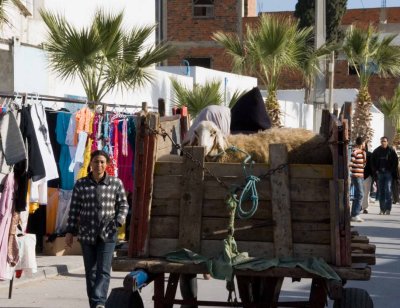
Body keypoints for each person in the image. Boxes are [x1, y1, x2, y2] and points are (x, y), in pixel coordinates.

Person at [65, 150, 129, 308]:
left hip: (108, 234)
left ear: (106, 165)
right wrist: (70, 231)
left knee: (103, 270)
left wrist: (117, 222)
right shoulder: (81, 184)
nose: (98, 165)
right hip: (87, 234)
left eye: (101, 162)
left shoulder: (115, 183)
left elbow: (123, 205)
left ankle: (99, 302)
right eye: (95, 161)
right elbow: (74, 209)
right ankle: (95, 304)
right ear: (90, 163)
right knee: (91, 272)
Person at [371, 136, 399, 215]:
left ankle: (388, 209)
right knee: (381, 192)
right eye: (382, 141)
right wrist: (375, 170)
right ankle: (382, 209)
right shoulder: (376, 151)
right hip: (380, 173)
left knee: (388, 190)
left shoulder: (391, 151)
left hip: (388, 173)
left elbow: (395, 161)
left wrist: (391, 170)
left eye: (385, 141)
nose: (383, 142)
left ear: (387, 142)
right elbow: (372, 161)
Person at [350, 137, 366, 222]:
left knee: (359, 194)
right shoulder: (355, 151)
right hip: (356, 176)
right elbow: (351, 163)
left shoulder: (362, 152)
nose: (365, 145)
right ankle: (355, 214)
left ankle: (354, 214)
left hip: (361, 176)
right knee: (360, 194)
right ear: (361, 143)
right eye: (364, 143)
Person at [362, 145, 373, 214]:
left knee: (365, 192)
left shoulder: (369, 154)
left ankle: (364, 207)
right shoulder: (357, 152)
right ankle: (364, 207)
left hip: (366, 175)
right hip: (364, 175)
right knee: (365, 192)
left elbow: (372, 165)